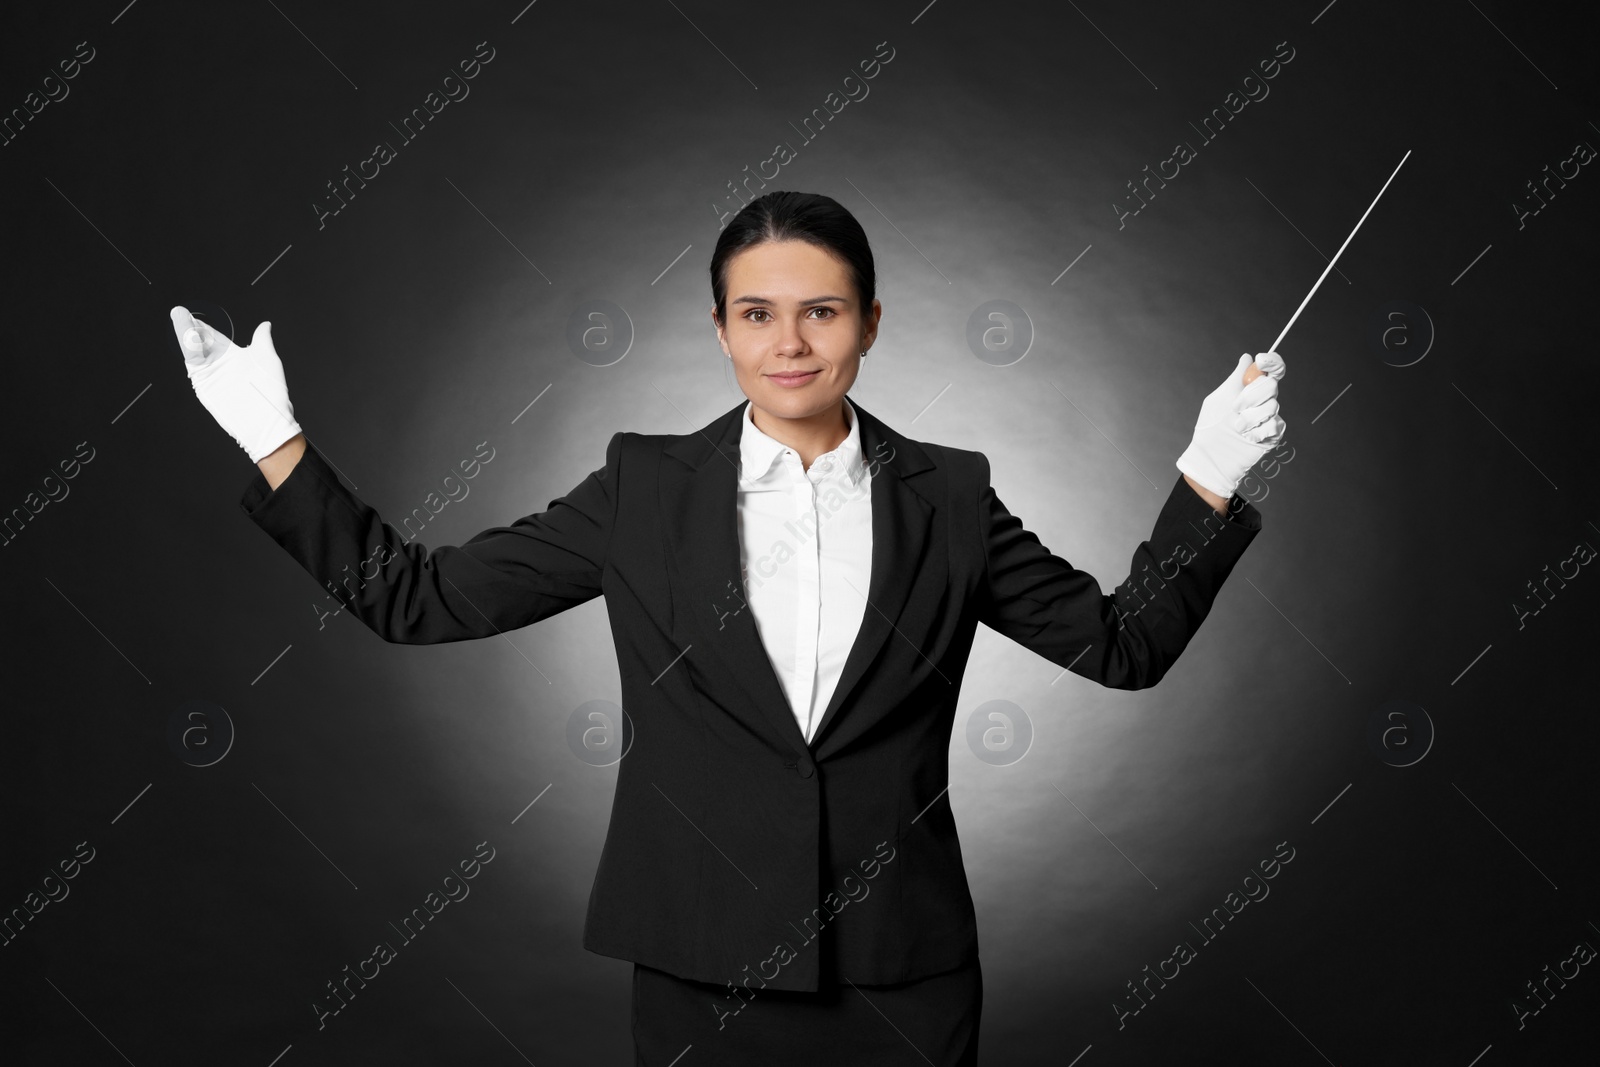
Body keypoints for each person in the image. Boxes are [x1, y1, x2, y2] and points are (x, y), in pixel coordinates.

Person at [170, 190, 1284, 1065]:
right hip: (706, 975)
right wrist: (274, 440)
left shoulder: (950, 494)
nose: (788, 342)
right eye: (756, 312)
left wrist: (1209, 476)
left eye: (821, 309)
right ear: (718, 328)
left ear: (870, 322)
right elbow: (414, 598)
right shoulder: (640, 487)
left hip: (905, 976)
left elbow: (1120, 645)